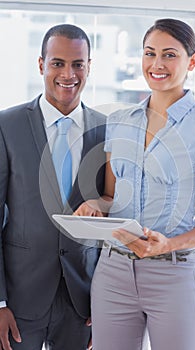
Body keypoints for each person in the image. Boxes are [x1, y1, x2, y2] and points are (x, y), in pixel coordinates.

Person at [75, 18, 195, 350]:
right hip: (113, 273)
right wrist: (95, 206)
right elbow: (110, 196)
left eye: (169, 55)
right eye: (149, 53)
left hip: (175, 277)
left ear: (192, 61)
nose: (156, 64)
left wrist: (168, 245)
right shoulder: (119, 122)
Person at [0, 24, 106, 350]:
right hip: (20, 298)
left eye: (78, 64)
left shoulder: (106, 131)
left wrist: (105, 300)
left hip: (82, 302)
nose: (68, 73)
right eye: (57, 63)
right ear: (41, 65)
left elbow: (112, 218)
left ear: (89, 66)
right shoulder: (7, 125)